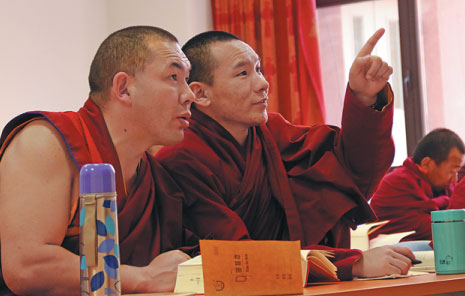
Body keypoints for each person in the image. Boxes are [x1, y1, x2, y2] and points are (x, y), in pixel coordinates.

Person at [156, 29, 415, 280]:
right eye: (243, 73)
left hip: (296, 281)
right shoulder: (182, 158)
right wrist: (351, 263)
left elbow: (350, 169)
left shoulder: (271, 132)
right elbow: (233, 256)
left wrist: (364, 97)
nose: (263, 83)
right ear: (200, 94)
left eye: (258, 69)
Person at [0, 26, 196, 295]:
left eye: (187, 80)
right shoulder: (48, 141)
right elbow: (26, 267)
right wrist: (142, 278)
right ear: (124, 88)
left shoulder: (155, 174)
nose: (189, 95)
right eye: (174, 77)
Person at [370, 128, 465, 241]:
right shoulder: (397, 183)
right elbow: (436, 231)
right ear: (426, 164)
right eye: (451, 171)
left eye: (457, 172)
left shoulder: (444, 185)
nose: (455, 179)